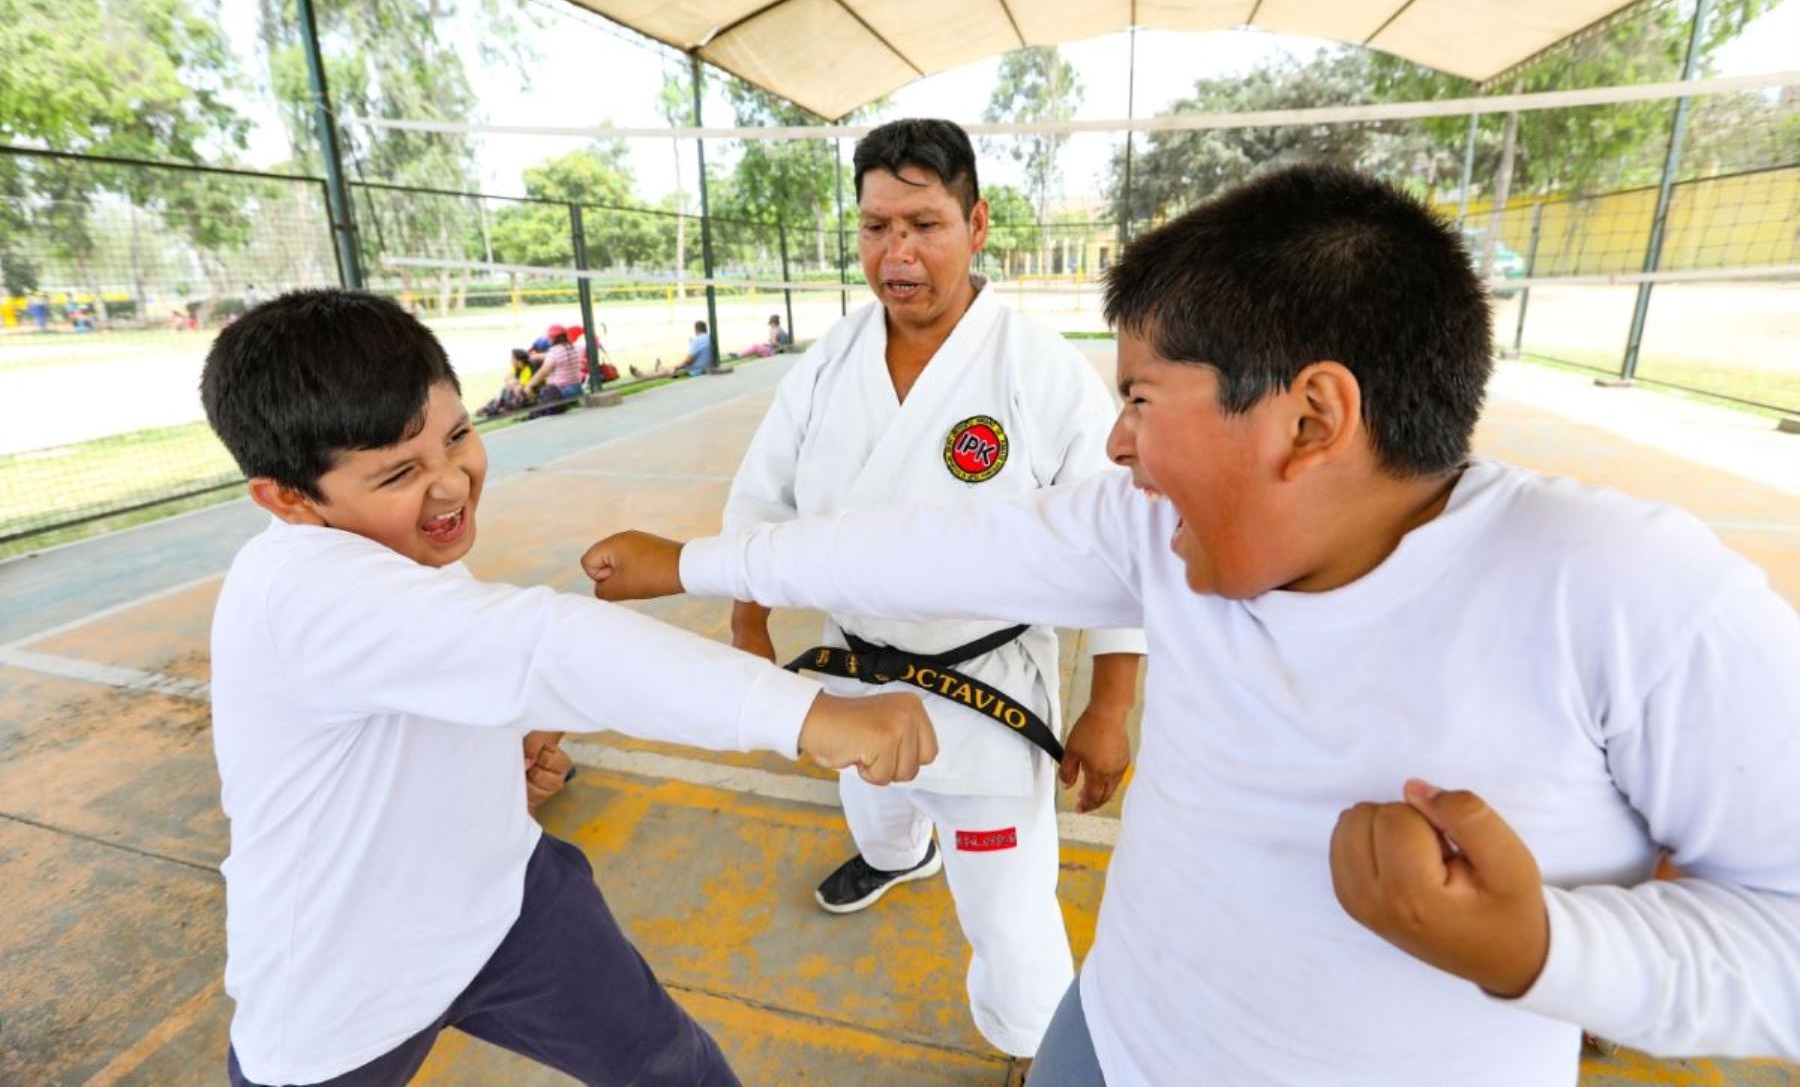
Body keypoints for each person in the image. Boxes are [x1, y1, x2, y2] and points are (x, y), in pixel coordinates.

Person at [581, 163, 1800, 1087]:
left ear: (1311, 418)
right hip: (1109, 1042)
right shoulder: (1152, 539)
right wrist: (695, 560)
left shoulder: (1629, 594)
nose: (1117, 443)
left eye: (1143, 401)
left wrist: (1547, 953)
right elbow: (913, 539)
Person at [199, 290, 937, 1087]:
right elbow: (546, 647)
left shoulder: (398, 544)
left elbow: (446, 673)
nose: (451, 484)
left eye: (459, 436)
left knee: (675, 1070)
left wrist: (480, 769)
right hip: (344, 985)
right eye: (401, 471)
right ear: (287, 498)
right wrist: (808, 715)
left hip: (505, 903)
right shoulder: (303, 589)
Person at [678, 118, 1146, 1077]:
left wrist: (1110, 704)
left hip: (987, 688)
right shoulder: (830, 361)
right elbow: (760, 496)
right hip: (854, 669)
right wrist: (747, 625)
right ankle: (897, 858)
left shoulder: (1037, 369)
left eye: (924, 224)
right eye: (875, 226)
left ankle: (1033, 1044)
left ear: (977, 225)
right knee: (875, 805)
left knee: (1012, 915)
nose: (896, 252)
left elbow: (1114, 540)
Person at [526, 323, 584, 413]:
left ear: (553, 338)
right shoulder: (574, 347)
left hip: (561, 392)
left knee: (537, 404)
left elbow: (544, 371)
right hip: (577, 389)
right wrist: (537, 356)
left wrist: (529, 385)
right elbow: (556, 356)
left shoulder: (554, 352)